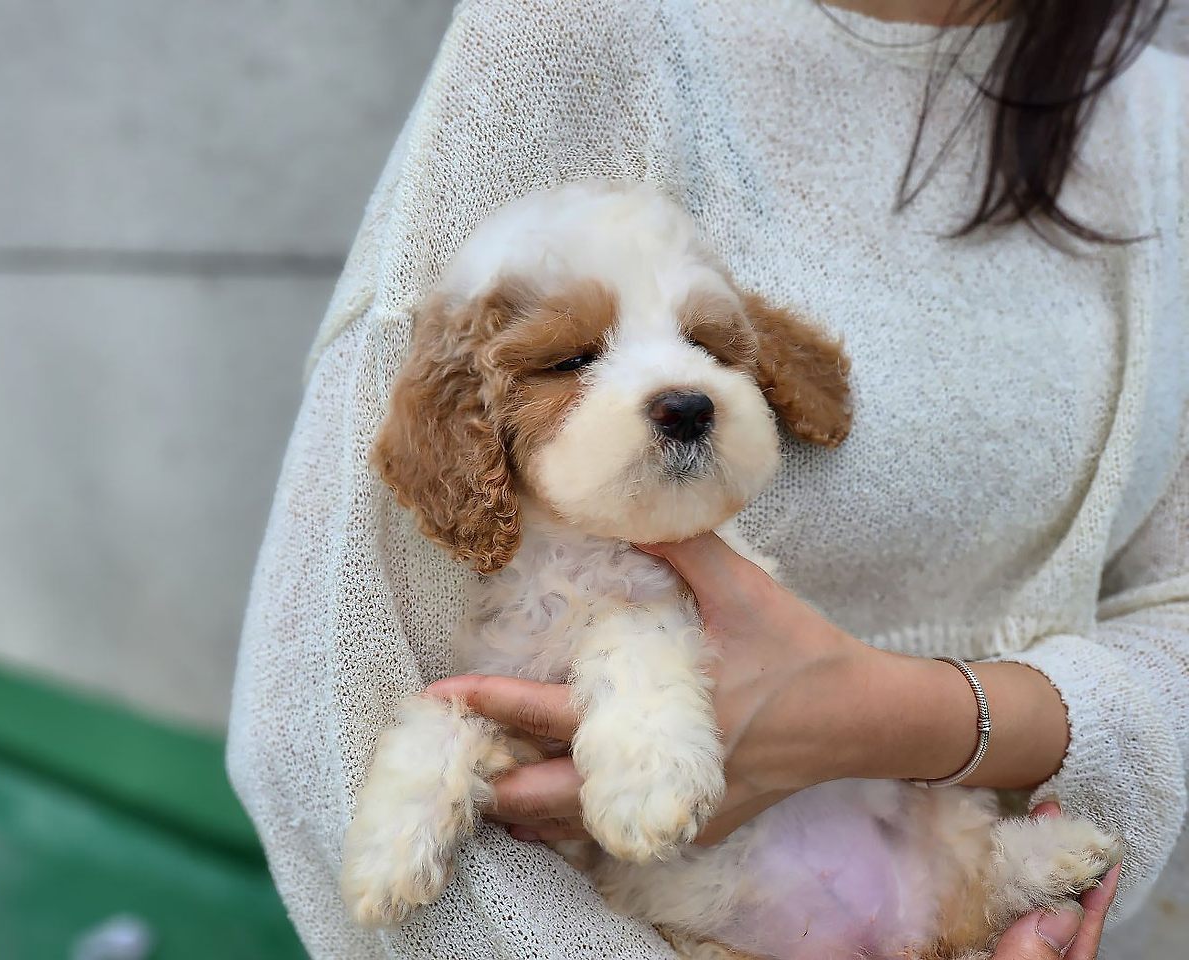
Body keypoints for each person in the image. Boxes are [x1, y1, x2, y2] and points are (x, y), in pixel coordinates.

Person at [226, 1, 1189, 958]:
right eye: (572, 361)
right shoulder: (567, 37)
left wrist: (899, 721)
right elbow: (319, 716)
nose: (679, 392)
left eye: (708, 346)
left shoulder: (1160, 117)